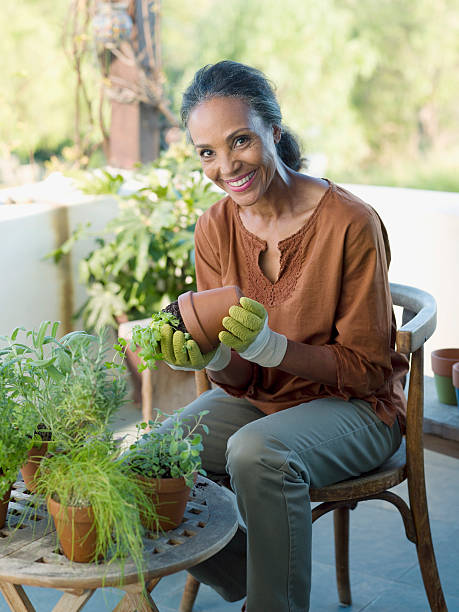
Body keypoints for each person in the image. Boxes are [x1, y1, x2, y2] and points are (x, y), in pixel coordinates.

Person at [153, 60, 409, 612]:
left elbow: (367, 370)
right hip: (260, 401)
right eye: (207, 153)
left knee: (256, 454)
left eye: (240, 140)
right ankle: (256, 570)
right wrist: (214, 351)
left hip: (359, 411)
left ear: (273, 129)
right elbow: (238, 378)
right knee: (153, 454)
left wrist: (275, 347)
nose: (226, 166)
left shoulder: (350, 223)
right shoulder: (215, 228)